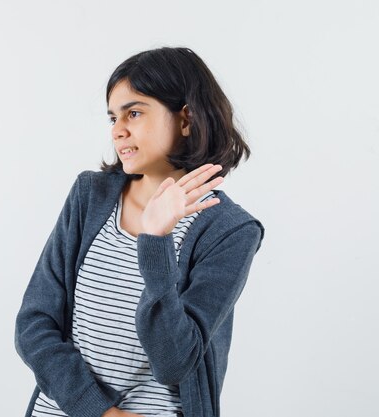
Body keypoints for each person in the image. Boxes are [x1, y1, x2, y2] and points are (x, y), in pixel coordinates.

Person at [14, 46, 265, 417]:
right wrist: (101, 411)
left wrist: (157, 241)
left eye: (134, 112)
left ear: (186, 120)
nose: (118, 131)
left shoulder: (230, 230)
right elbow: (34, 324)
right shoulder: (90, 197)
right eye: (113, 118)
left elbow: (174, 362)